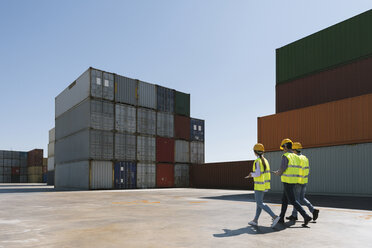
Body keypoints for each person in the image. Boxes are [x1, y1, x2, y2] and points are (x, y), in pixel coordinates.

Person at [273, 138, 312, 227]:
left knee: (293, 201)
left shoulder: (286, 156)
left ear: (286, 146)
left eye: (283, 147)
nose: (283, 149)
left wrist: (277, 173)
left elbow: (283, 168)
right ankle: (281, 217)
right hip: (294, 181)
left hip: (287, 181)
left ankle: (306, 216)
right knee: (284, 200)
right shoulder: (296, 157)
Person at [246, 143, 281, 228]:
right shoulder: (265, 160)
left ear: (255, 152)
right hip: (264, 185)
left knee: (260, 203)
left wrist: (251, 174)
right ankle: (255, 220)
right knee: (259, 203)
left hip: (259, 186)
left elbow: (257, 174)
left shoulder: (257, 161)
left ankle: (274, 216)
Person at [286, 142, 319, 221]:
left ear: (294, 150)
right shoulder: (305, 158)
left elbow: (294, 170)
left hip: (297, 181)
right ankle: (313, 210)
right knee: (302, 198)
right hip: (304, 181)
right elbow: (308, 170)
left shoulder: (296, 158)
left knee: (296, 200)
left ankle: (295, 215)